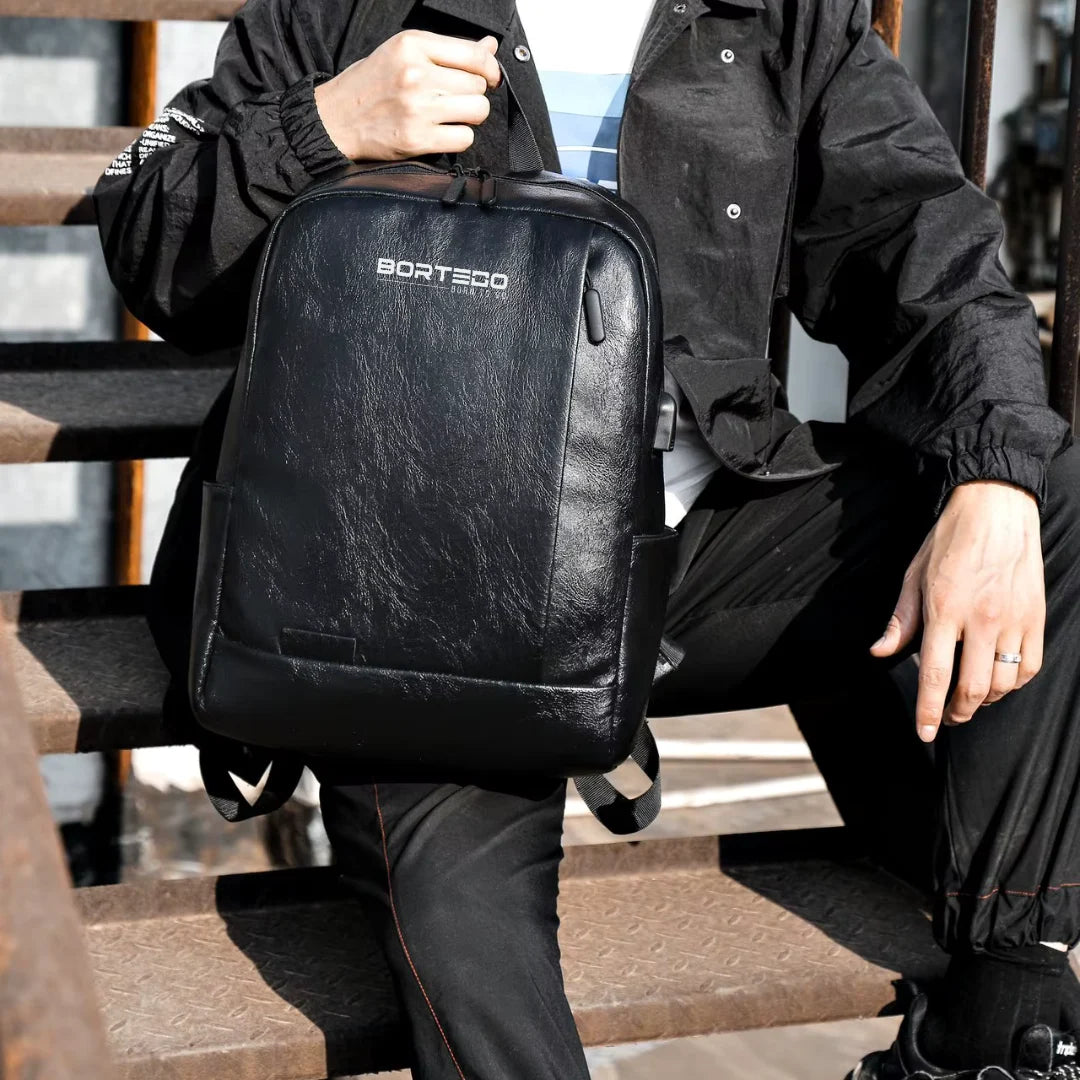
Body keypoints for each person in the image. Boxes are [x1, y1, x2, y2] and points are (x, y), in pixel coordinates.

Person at [94, 1, 1080, 1077]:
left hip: (692, 546)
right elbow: (150, 234)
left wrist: (992, 478)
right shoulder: (349, 10)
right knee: (467, 940)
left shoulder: (780, 15)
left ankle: (995, 1017)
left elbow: (926, 246)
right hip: (416, 587)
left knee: (1040, 492)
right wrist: (325, 124)